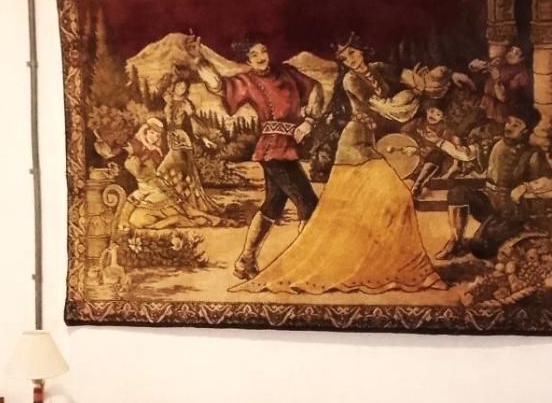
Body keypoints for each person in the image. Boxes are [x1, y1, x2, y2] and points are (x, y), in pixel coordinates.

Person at [236, 40, 444, 295]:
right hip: (353, 146)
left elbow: (411, 77)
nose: (351, 60)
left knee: (279, 204)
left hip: (368, 142)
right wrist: (418, 93)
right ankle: (307, 266)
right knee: (392, 196)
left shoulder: (380, 68)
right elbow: (389, 109)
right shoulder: (351, 81)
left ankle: (248, 260)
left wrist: (427, 81)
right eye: (345, 58)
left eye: (353, 53)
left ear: (362, 50)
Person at [191, 36, 324, 278]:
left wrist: (310, 121)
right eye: (254, 54)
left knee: (273, 205)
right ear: (247, 60)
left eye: (263, 51)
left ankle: (245, 261)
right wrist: (199, 60)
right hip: (272, 150)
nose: (261, 57)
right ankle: (304, 265)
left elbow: (316, 89)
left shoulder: (288, 72)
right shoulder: (247, 81)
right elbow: (218, 85)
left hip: (290, 146)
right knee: (309, 205)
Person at [437, 108, 552, 260]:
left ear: (526, 131)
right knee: (457, 193)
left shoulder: (532, 153)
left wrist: (526, 187)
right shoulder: (493, 143)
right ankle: (456, 241)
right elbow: (466, 154)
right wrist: (440, 142)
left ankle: (517, 233)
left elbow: (551, 181)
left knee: (479, 247)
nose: (509, 127)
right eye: (509, 122)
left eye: (516, 124)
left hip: (509, 210)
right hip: (488, 201)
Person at [155, 71, 222, 223]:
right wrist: (169, 76)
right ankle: (179, 205)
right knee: (176, 173)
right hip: (170, 138)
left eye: (184, 87)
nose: (181, 89)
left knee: (168, 171)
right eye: (179, 85)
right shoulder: (168, 99)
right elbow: (160, 88)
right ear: (174, 86)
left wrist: (204, 138)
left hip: (181, 139)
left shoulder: (186, 104)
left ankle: (190, 205)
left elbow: (194, 122)